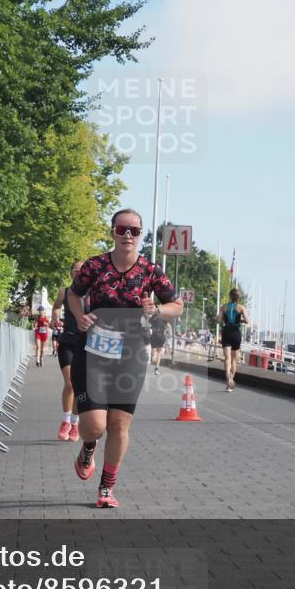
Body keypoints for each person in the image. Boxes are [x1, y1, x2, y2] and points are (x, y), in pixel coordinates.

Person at [67, 209, 183, 508]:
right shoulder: (94, 265)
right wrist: (80, 317)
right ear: (113, 232)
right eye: (122, 229)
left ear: (141, 234)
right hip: (93, 351)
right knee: (94, 426)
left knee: (119, 424)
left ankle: (106, 488)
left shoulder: (150, 270)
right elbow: (73, 294)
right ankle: (88, 447)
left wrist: (157, 310)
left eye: (134, 230)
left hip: (131, 352)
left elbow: (177, 305)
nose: (128, 235)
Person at [51, 261, 85, 442]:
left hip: (86, 343)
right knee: (71, 383)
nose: (79, 273)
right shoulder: (65, 292)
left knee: (80, 385)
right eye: (76, 270)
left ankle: (75, 423)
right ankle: (65, 421)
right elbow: (56, 307)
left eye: (82, 270)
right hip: (68, 342)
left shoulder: (93, 293)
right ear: (71, 273)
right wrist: (54, 318)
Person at [217, 288, 248, 391]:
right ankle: (230, 382)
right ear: (239, 297)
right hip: (235, 332)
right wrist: (240, 320)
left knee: (227, 359)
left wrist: (221, 319)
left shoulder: (223, 307)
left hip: (226, 332)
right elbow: (247, 320)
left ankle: (227, 380)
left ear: (230, 296)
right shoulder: (241, 307)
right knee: (235, 359)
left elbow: (218, 320)